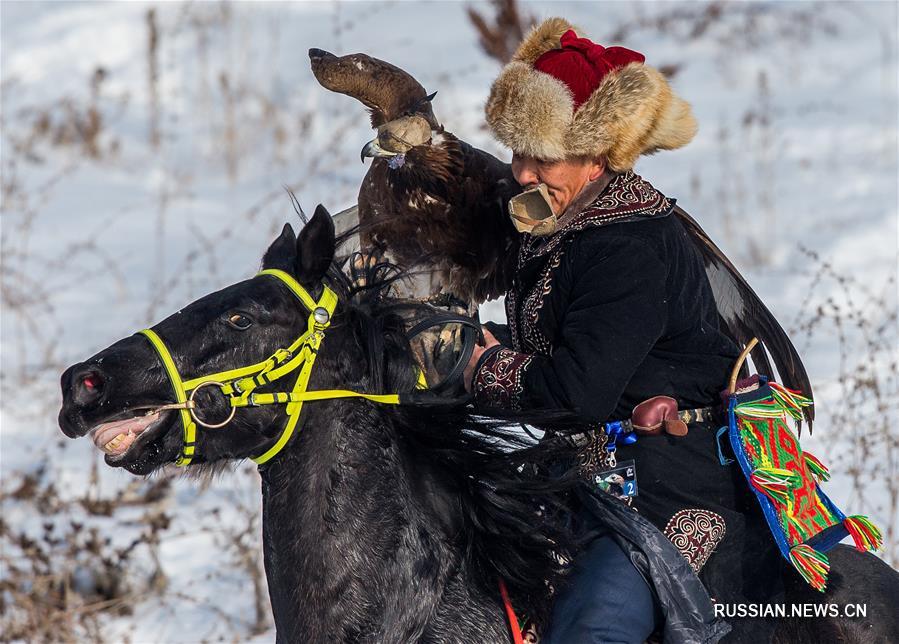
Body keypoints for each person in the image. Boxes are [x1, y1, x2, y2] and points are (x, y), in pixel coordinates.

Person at [462, 17, 789, 643]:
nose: (524, 174)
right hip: (576, 480)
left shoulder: (628, 245)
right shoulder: (570, 221)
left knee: (591, 632)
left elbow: (577, 389)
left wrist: (485, 369)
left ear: (595, 156)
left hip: (666, 493)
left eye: (543, 157)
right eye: (518, 152)